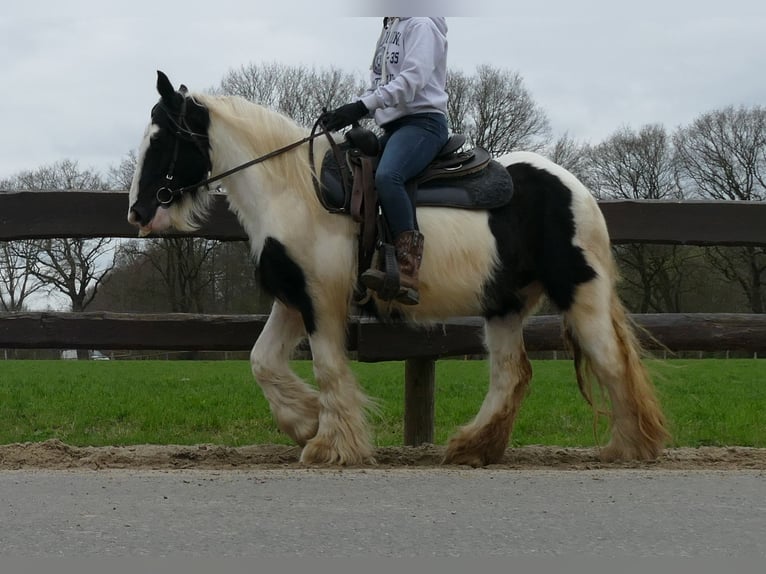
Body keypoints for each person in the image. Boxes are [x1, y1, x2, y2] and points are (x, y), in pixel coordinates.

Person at [320, 17, 449, 305]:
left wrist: (362, 106)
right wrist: (350, 110)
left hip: (424, 124)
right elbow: (380, 85)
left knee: (388, 177)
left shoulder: (421, 25)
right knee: (355, 174)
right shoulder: (390, 27)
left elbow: (411, 81)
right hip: (394, 128)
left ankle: (408, 270)